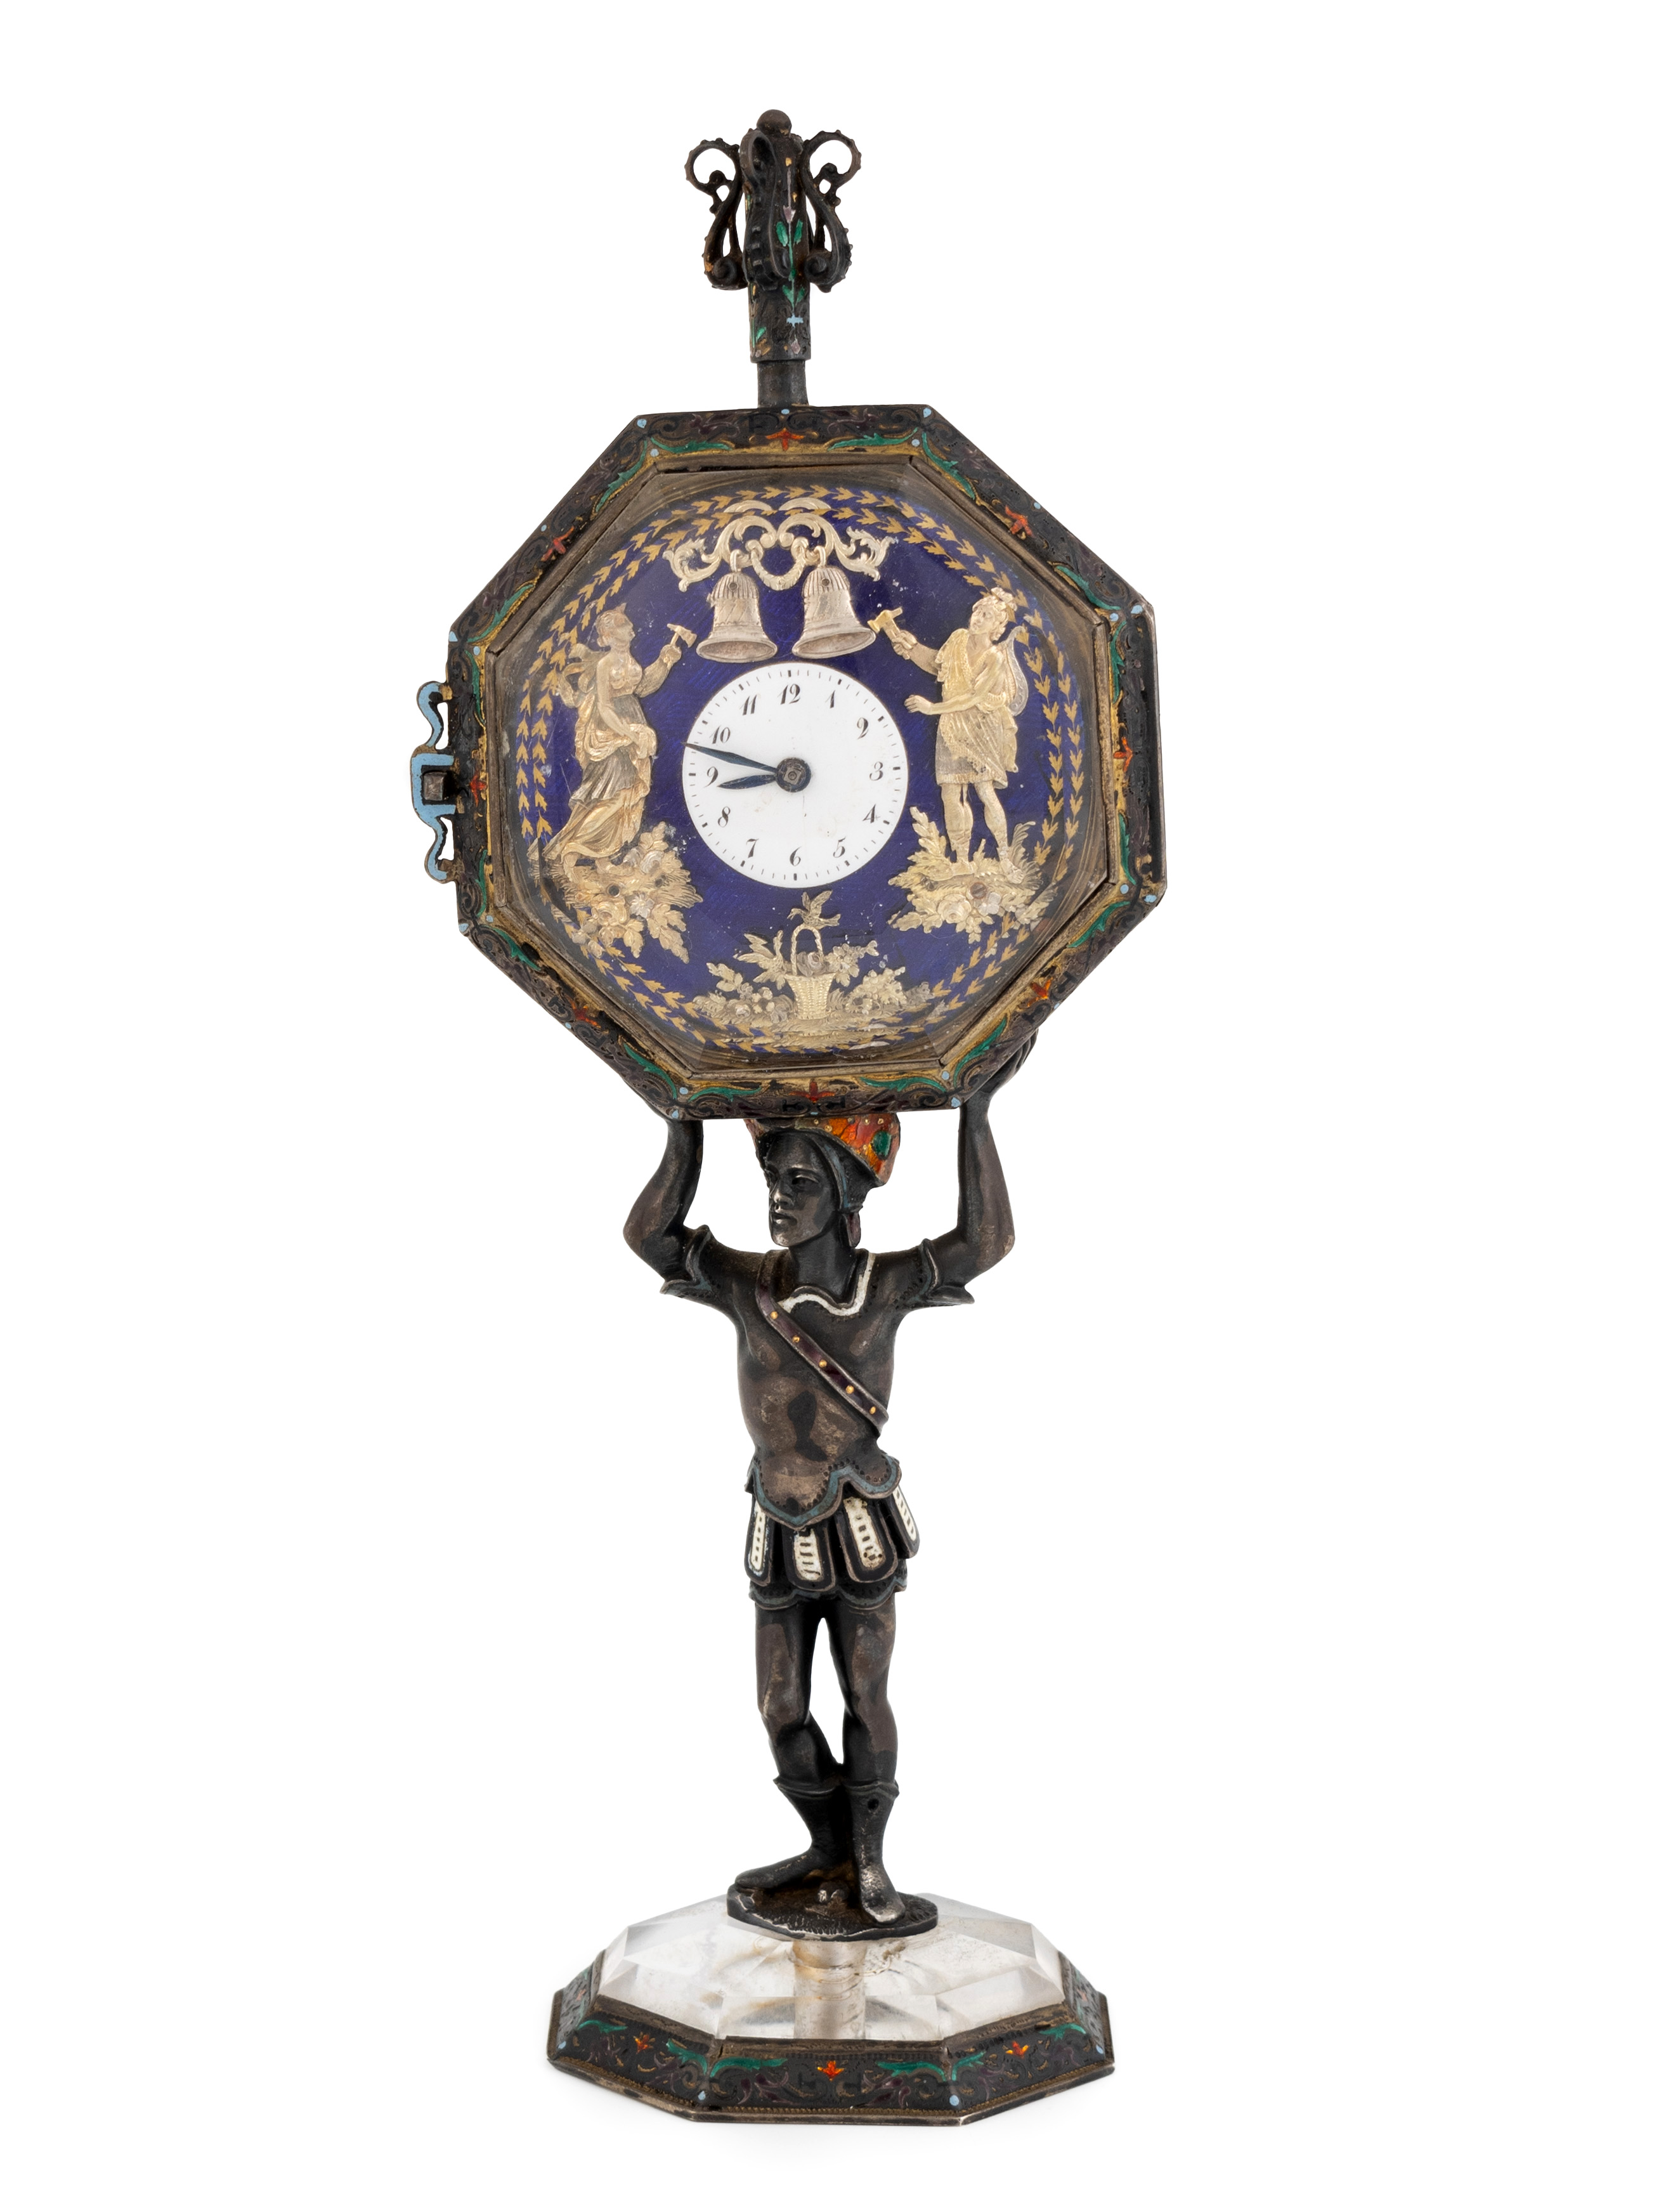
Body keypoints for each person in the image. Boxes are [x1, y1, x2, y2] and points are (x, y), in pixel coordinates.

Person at [623, 1045, 1031, 1924]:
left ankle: (870, 1860)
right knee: (780, 1707)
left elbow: (984, 1243)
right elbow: (651, 1239)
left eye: (800, 1180)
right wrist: (682, 1123)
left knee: (864, 1691)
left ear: (847, 1194)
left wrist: (978, 1113)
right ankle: (826, 1846)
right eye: (773, 1177)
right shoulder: (747, 1284)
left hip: (856, 1517)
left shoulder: (883, 1287)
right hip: (777, 1516)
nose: (779, 1195)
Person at [883, 585, 1028, 863]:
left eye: (986, 616)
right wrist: (911, 648)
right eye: (978, 612)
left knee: (984, 791)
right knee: (951, 793)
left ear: (997, 627)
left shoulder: (994, 658)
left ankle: (1005, 858)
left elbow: (974, 698)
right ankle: (962, 861)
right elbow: (939, 667)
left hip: (982, 727)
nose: (978, 619)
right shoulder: (958, 638)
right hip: (951, 725)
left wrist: (932, 708)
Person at [549, 608, 692, 870]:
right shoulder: (605, 664)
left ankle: (602, 858)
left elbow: (643, 687)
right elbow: (604, 707)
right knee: (612, 795)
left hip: (633, 722)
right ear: (609, 634)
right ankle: (573, 849)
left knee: (626, 797)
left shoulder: (629, 659)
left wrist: (665, 662)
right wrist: (630, 734)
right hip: (611, 731)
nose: (631, 627)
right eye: (624, 624)